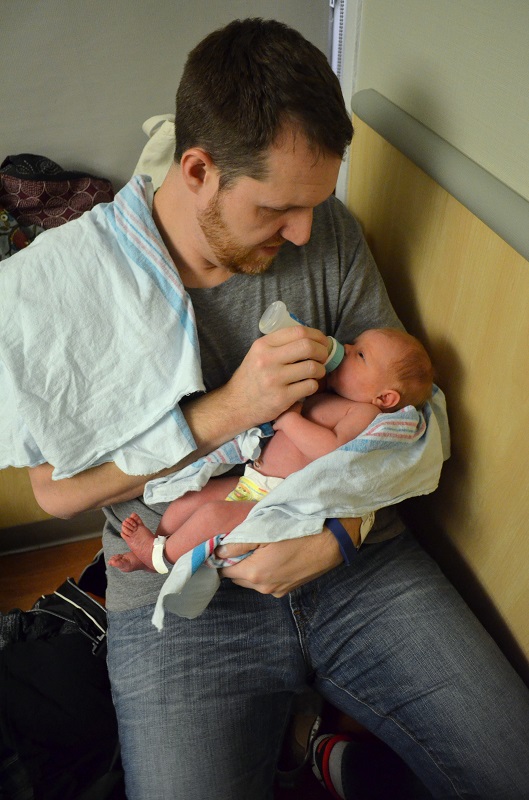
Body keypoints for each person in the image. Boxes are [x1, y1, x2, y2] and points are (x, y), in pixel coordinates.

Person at [5, 18, 529, 800]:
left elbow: (399, 420)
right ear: (197, 170)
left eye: (316, 203)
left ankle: (305, 734)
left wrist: (340, 536)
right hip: (188, 586)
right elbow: (56, 494)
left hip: (354, 558)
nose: (305, 230)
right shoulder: (79, 287)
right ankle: (304, 735)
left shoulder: (329, 235)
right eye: (279, 208)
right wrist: (232, 409)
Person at [109, 327, 434, 576]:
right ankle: (157, 549)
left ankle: (160, 559)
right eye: (354, 343)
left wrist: (291, 421)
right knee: (190, 500)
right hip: (253, 480)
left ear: (385, 398)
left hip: (275, 501)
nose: (346, 347)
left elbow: (332, 450)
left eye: (360, 355)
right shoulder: (329, 391)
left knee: (211, 516)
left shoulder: (363, 412)